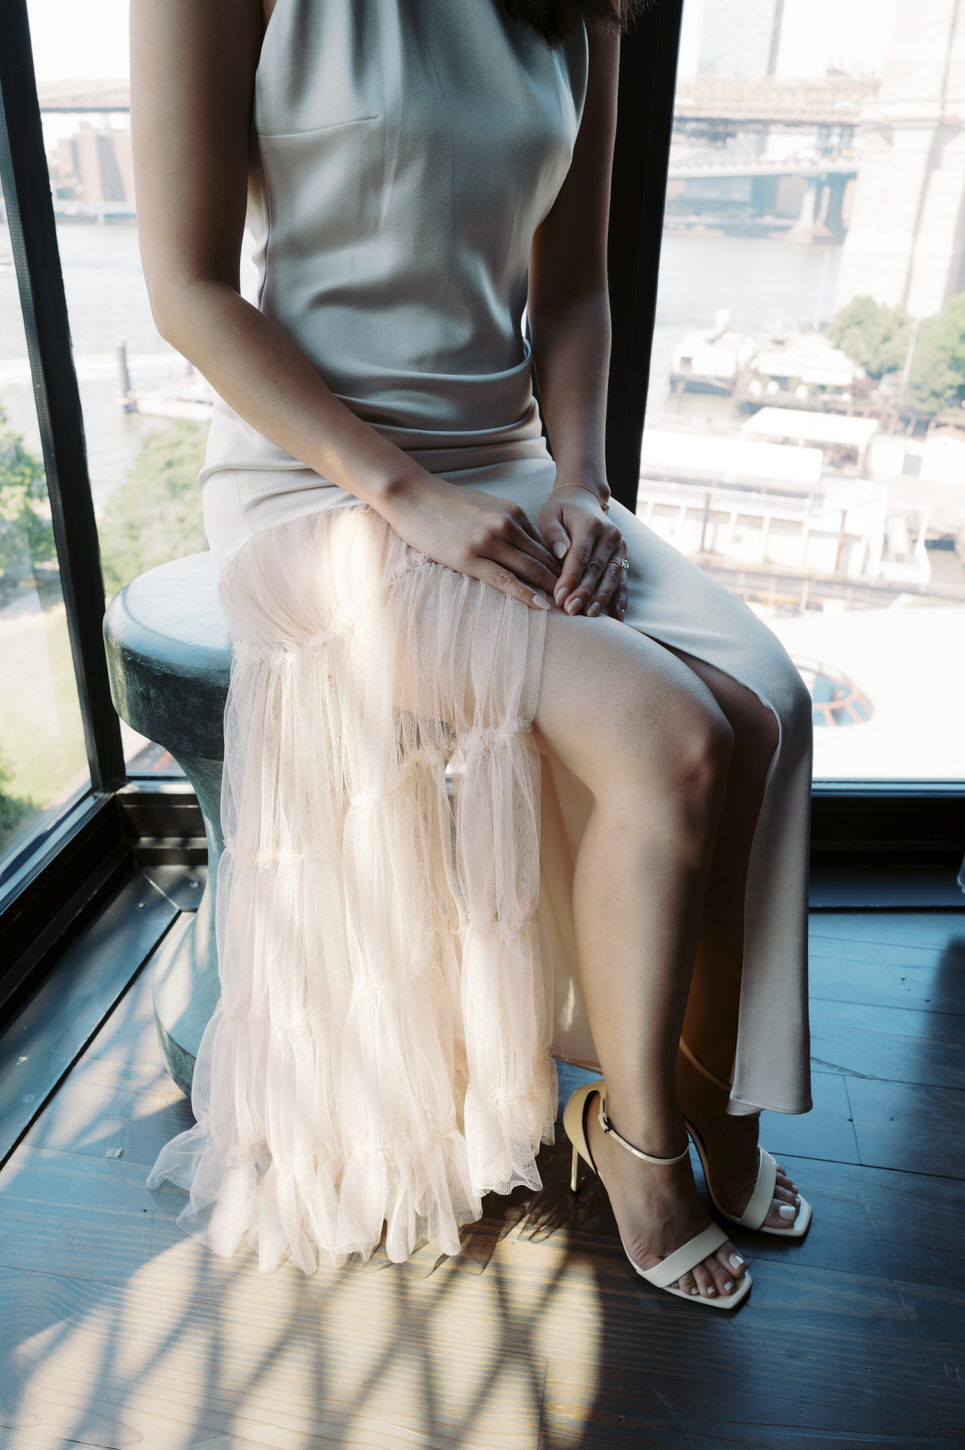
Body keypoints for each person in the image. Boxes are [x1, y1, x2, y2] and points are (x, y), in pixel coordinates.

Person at [133, 0, 813, 1306]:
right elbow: (189, 291)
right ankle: (640, 1145)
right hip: (323, 473)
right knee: (671, 736)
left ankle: (714, 1096)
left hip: (506, 461)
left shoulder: (584, 4)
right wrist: (402, 494)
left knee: (765, 705)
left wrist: (581, 481)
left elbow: (574, 287)